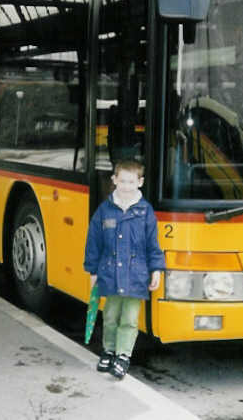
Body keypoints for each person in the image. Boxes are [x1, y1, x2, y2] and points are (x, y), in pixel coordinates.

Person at [83, 159, 165, 379]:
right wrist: (93, 272)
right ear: (114, 180)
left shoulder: (146, 212)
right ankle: (108, 351)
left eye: (131, 182)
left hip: (136, 278)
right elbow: (94, 242)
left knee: (129, 319)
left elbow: (153, 245)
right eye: (122, 181)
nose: (126, 186)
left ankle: (123, 356)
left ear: (140, 182)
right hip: (109, 274)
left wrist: (156, 270)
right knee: (109, 316)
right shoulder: (104, 210)